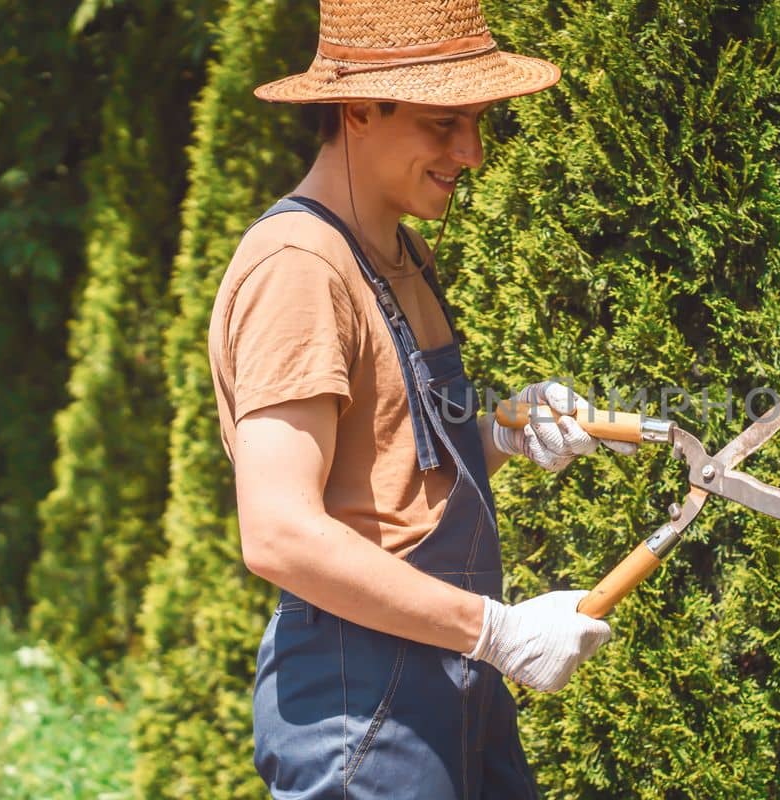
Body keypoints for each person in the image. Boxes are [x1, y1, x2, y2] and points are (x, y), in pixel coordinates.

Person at [205, 1, 631, 796]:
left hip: (446, 679)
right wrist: (495, 631)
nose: (470, 152)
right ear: (359, 109)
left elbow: (398, 475)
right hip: (359, 708)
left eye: (476, 122)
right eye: (444, 123)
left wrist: (503, 433)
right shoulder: (298, 267)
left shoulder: (399, 251)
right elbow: (278, 534)